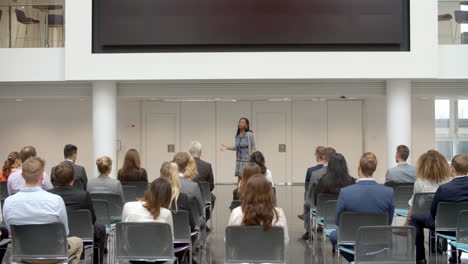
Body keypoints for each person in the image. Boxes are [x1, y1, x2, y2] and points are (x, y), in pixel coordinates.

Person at [3, 157, 83, 264]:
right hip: (54, 255)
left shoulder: (8, 202)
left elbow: (12, 233)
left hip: (24, 255)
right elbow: (65, 233)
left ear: (22, 176)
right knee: (78, 242)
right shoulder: (56, 201)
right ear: (42, 176)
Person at [329, 152, 394, 262]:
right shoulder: (388, 192)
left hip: (351, 237)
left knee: (334, 236)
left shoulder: (346, 192)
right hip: (377, 238)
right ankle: (366, 259)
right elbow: (389, 221)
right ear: (374, 168)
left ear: (359, 166)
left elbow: (338, 221)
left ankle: (354, 260)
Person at [410, 154, 468, 264]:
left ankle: (420, 259)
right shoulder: (445, 186)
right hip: (465, 228)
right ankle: (455, 256)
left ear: (452, 169)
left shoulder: (444, 189)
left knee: (415, 218)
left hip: (443, 227)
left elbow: (434, 211)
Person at [49, 161, 106, 264]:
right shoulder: (83, 195)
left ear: (55, 178)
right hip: (83, 233)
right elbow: (92, 219)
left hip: (56, 234)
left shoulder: (48, 195)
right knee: (101, 228)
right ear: (73, 178)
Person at [228, 174, 289, 245]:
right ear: (269, 193)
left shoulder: (236, 212)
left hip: (242, 255)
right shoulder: (278, 213)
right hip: (271, 256)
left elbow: (229, 240)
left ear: (247, 193)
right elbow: (285, 241)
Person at [403, 150, 452, 226]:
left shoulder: (420, 183)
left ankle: (418, 238)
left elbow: (414, 206)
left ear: (423, 167)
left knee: (415, 217)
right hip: (446, 218)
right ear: (443, 165)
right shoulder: (450, 181)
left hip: (427, 218)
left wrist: (406, 223)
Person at [302, 147, 336, 240]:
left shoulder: (315, 173)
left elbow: (309, 192)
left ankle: (308, 232)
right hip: (335, 207)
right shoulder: (341, 174)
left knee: (307, 204)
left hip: (319, 207)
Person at [160, 161, 196, 231]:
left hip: (159, 238)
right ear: (176, 177)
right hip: (181, 238)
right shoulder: (182, 198)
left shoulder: (153, 197)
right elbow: (192, 225)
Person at [220, 117, 256, 183]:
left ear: (246, 125)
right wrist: (227, 148)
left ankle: (247, 192)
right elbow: (237, 148)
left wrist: (253, 160)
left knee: (246, 179)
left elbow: (253, 147)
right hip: (239, 160)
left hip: (247, 161)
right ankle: (238, 192)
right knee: (239, 178)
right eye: (240, 122)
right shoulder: (237, 136)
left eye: (242, 122)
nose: (240, 124)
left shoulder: (249, 135)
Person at [173, 152, 205, 225]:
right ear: (187, 166)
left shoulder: (163, 184)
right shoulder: (193, 186)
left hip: (168, 225)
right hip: (189, 225)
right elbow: (200, 210)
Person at [297, 146, 326, 221]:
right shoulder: (332, 170)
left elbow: (307, 188)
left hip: (314, 202)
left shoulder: (311, 171)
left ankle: (307, 225)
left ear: (317, 155)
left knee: (307, 195)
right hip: (328, 203)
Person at [189, 141, 217, 213]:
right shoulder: (207, 165)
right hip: (203, 196)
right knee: (212, 198)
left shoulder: (185, 165)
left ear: (189, 152)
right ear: (200, 152)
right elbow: (211, 186)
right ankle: (204, 220)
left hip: (187, 196)